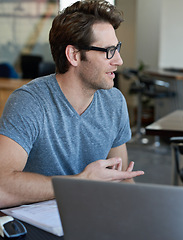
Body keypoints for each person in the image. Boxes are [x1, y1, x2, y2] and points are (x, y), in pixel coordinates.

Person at [0, 0, 144, 209]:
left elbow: (120, 177)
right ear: (74, 55)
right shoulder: (29, 102)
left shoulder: (114, 101)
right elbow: (2, 187)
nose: (119, 60)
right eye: (108, 51)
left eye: (117, 48)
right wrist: (81, 182)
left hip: (93, 217)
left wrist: (141, 208)